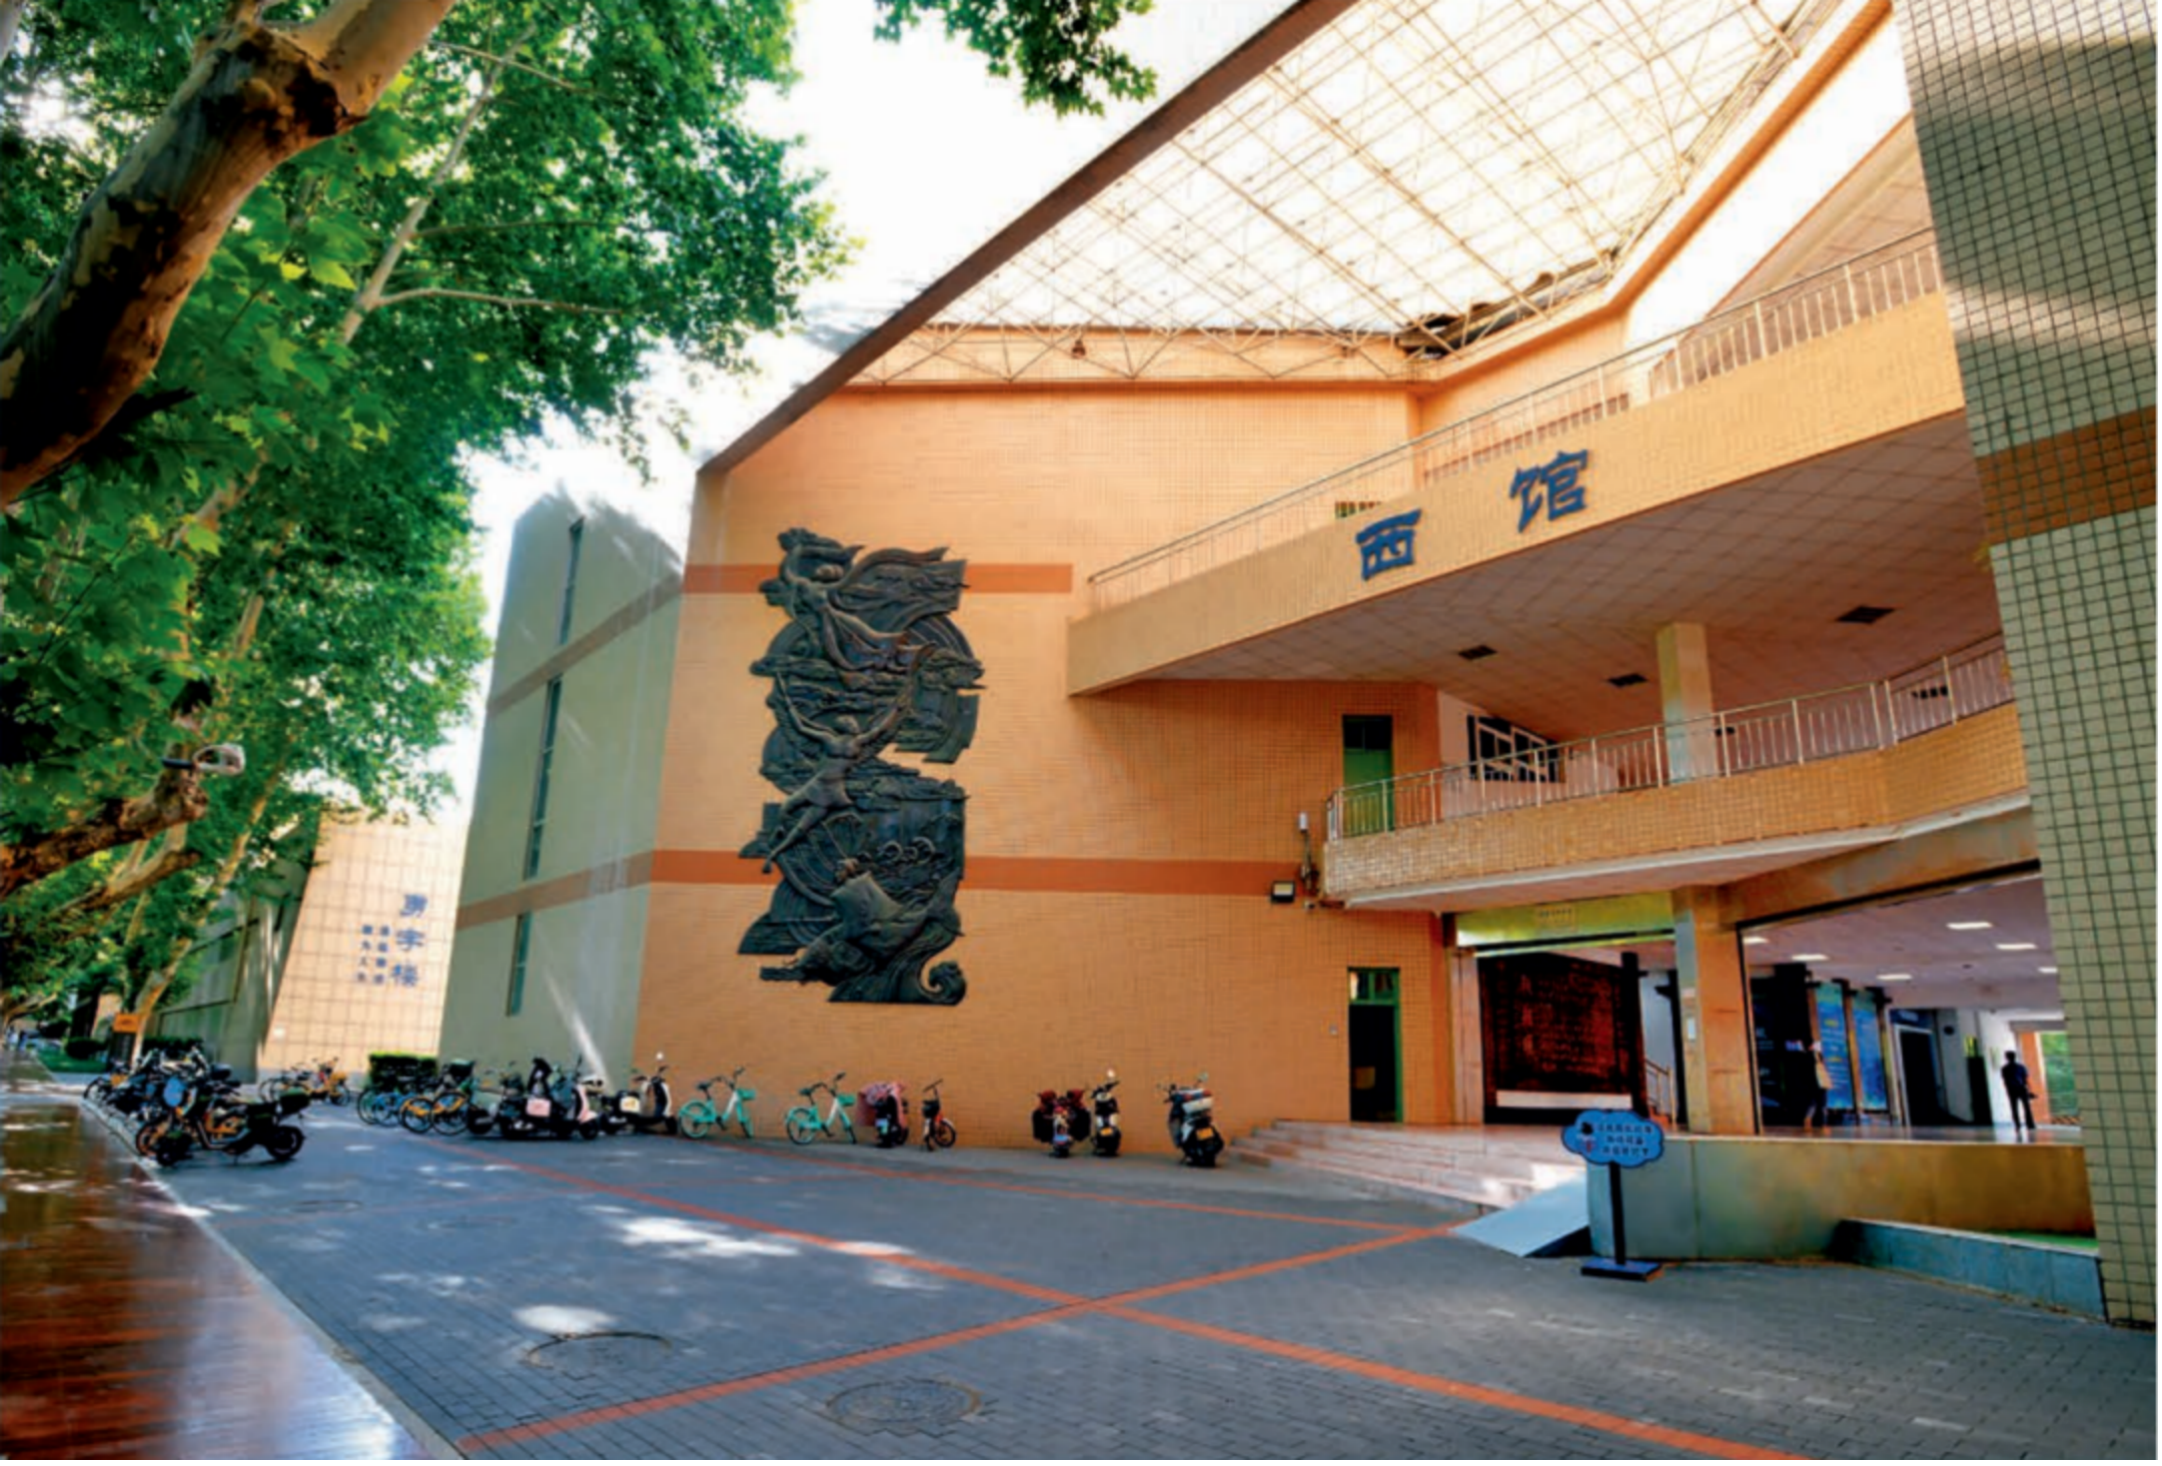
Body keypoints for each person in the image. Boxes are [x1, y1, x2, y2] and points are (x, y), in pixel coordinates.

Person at [1999, 1050, 2038, 1132]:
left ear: (2006, 1058)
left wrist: (2007, 1090)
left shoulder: (2004, 1069)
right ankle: (2030, 1124)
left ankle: (2017, 1125)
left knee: (2014, 1107)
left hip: (2011, 1090)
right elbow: (2027, 1079)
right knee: (2026, 1107)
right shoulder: (2021, 1067)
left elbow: (2005, 1081)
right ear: (2015, 1057)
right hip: (2022, 1088)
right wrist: (2031, 1090)